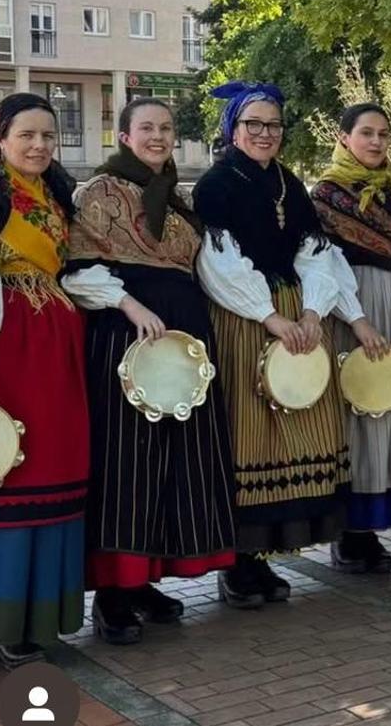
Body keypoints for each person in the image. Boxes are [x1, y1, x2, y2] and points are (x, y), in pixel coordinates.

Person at [62, 98, 237, 643]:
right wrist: (132, 307)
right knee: (127, 463)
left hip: (185, 335)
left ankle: (146, 580)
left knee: (176, 464)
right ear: (123, 135)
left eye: (165, 128)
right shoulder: (97, 193)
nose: (158, 137)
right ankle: (113, 593)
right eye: (146, 128)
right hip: (126, 332)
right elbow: (77, 271)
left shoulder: (181, 203)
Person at [192, 82, 350, 607]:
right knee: (250, 434)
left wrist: (310, 310)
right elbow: (220, 263)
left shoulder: (289, 184)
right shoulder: (216, 185)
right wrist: (268, 316)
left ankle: (263, 559)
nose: (264, 134)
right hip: (245, 318)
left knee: (295, 430)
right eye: (253, 125)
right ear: (233, 130)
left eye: (273, 126)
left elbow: (314, 251)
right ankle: (237, 564)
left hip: (294, 312)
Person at [0, 93, 88, 667]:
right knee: (2, 473)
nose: (38, 146)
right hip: (5, 351)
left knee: (53, 469)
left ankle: (36, 617)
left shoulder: (53, 195)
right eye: (26, 135)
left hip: (53, 350)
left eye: (47, 137)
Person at [311, 103, 391, 574]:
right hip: (354, 306)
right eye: (366, 133)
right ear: (344, 138)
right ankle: (351, 530)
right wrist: (356, 319)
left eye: (383, 134)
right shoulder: (325, 194)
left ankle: (378, 523)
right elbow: (322, 263)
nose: (376, 142)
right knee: (358, 410)